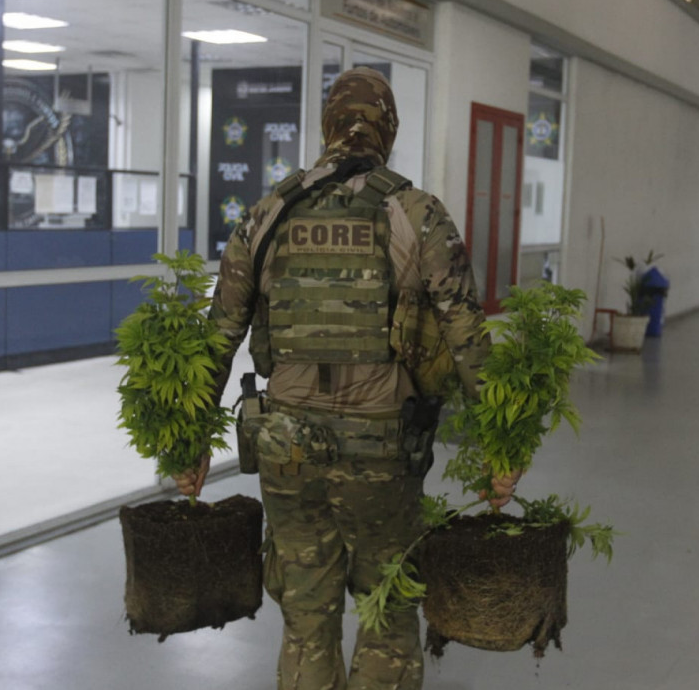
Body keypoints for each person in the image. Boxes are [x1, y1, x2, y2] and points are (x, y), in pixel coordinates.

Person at [173, 67, 521, 690]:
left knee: (306, 621)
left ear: (328, 126)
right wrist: (503, 447)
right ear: (389, 130)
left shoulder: (265, 215)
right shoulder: (417, 214)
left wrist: (189, 444)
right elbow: (468, 337)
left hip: (285, 451)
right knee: (388, 616)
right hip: (381, 455)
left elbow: (216, 340)